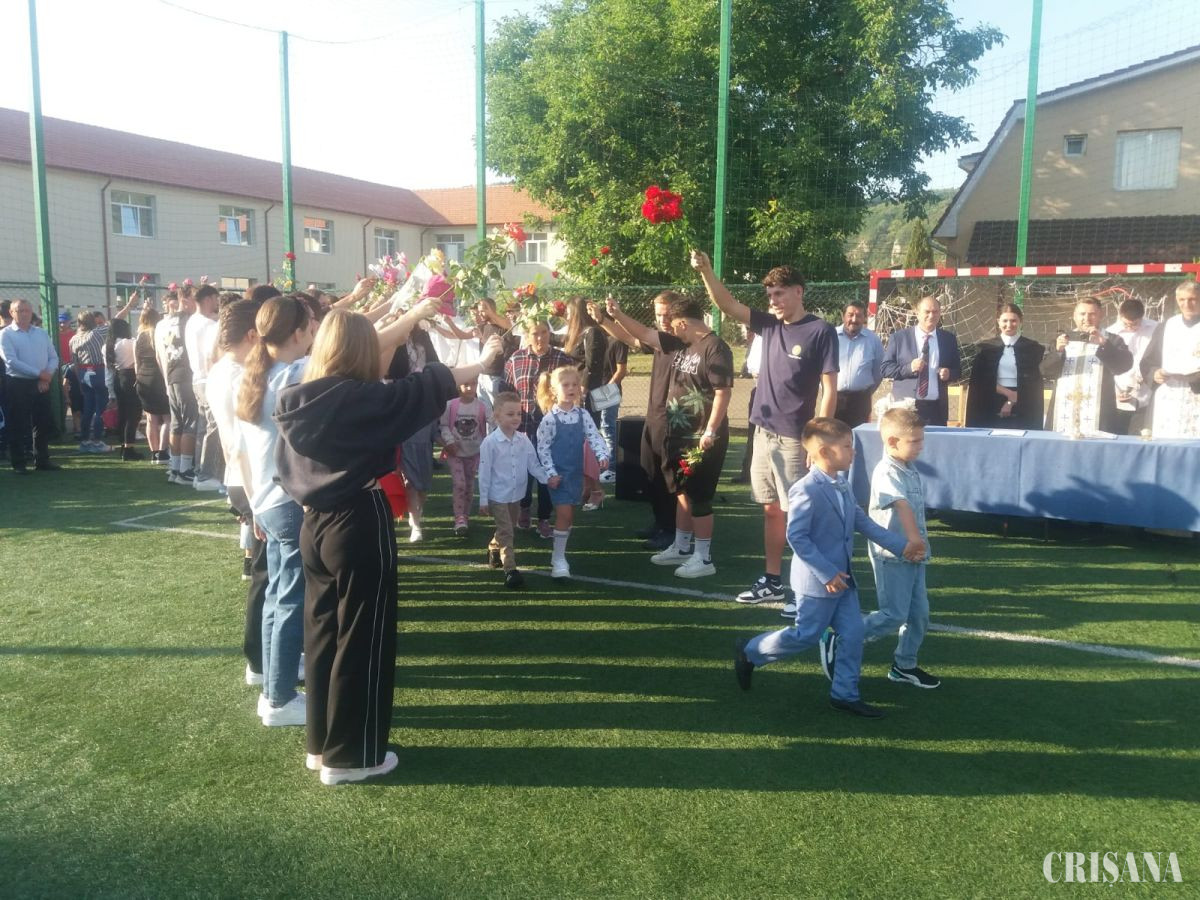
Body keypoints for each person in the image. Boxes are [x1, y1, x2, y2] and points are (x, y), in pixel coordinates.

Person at [274, 307, 502, 785]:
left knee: (323, 636)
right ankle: (352, 757)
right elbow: (431, 383)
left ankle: (322, 746)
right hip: (358, 519)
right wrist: (483, 362)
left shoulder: (296, 395)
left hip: (313, 525)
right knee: (364, 637)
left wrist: (412, 314)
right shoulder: (365, 399)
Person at [733, 418, 921, 717]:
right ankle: (750, 651)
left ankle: (844, 694)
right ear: (823, 452)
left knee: (853, 634)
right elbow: (797, 537)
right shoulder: (806, 489)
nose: (853, 452)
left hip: (843, 581)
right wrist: (826, 573)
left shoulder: (842, 483)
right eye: (847, 446)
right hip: (819, 583)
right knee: (806, 635)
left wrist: (902, 546)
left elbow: (862, 522)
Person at [690, 250, 839, 607]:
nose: (773, 301)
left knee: (800, 515)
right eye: (770, 295)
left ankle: (807, 590)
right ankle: (773, 582)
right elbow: (727, 305)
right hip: (762, 433)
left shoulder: (820, 331)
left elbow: (830, 389)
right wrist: (706, 270)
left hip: (795, 439)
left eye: (779, 293)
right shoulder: (769, 325)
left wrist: (817, 440)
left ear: (799, 292)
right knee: (772, 509)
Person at [605, 293, 733, 578]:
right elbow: (643, 334)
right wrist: (617, 315)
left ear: (684, 323)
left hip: (701, 438)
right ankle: (682, 547)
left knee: (699, 496)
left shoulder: (715, 348)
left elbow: (723, 392)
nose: (670, 329)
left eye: (673, 324)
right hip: (679, 435)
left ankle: (703, 558)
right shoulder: (682, 342)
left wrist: (710, 430)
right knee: (682, 492)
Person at [589, 293, 681, 551]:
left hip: (672, 418)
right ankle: (660, 522)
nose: (663, 320)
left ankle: (672, 530)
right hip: (654, 415)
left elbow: (639, 332)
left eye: (667, 314)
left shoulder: (678, 340)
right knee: (650, 470)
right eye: (659, 315)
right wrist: (604, 320)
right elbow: (630, 338)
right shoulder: (660, 340)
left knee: (668, 475)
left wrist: (617, 315)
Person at [857, 407, 940, 688]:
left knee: (919, 615)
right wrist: (915, 540)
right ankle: (844, 637)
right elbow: (902, 506)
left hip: (914, 556)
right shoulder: (886, 471)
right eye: (914, 441)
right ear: (892, 441)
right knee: (893, 614)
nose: (921, 446)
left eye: (921, 439)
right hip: (893, 556)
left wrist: (917, 546)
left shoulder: (908, 467)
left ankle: (904, 665)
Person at [535, 365, 611, 579]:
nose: (571, 388)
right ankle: (559, 560)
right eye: (565, 385)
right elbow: (543, 448)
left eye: (575, 384)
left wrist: (602, 454)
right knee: (565, 514)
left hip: (575, 476)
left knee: (568, 518)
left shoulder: (583, 415)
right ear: (554, 390)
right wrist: (550, 473)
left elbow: (594, 436)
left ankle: (558, 554)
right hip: (558, 477)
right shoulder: (550, 419)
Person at [504, 318, 574, 538]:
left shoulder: (561, 359)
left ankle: (544, 518)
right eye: (535, 333)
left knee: (547, 474)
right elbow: (507, 392)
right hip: (523, 428)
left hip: (552, 429)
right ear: (527, 335)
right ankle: (524, 508)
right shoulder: (516, 359)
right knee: (523, 472)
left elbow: (571, 391)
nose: (540, 338)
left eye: (544, 332)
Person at [479, 392, 549, 589]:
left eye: (518, 414)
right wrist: (483, 499)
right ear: (497, 416)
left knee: (507, 527)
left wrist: (547, 479)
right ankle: (510, 569)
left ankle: (494, 546)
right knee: (507, 531)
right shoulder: (490, 443)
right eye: (510, 414)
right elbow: (484, 473)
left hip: (516, 494)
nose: (516, 418)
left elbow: (533, 465)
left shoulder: (523, 440)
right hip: (498, 495)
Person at [1040, 296, 1134, 435]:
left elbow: (1123, 366)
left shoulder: (1112, 339)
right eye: (1082, 314)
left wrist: (1104, 344)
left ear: (1101, 315)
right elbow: (1045, 371)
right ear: (1074, 316)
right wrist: (1058, 352)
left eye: (1092, 314)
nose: (1087, 318)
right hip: (1063, 410)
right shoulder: (1061, 339)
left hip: (1099, 412)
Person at [881, 294, 962, 427]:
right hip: (906, 407)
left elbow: (958, 371)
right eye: (927, 312)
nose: (931, 315)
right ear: (917, 313)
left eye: (935, 312)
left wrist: (949, 373)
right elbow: (885, 369)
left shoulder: (948, 339)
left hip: (936, 409)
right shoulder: (899, 338)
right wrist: (909, 368)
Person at [1, 298, 61, 473]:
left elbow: (53, 357)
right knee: (18, 423)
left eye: (27, 310)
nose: (24, 314)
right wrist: (39, 374)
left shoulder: (41, 333)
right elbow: (11, 361)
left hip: (42, 383)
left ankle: (42, 460)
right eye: (20, 311)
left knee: (42, 423)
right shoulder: (5, 334)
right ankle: (19, 463)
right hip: (17, 383)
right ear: (11, 313)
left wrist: (46, 377)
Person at [965, 303, 1045, 430]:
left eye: (1013, 321)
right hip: (991, 399)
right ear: (998, 322)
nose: (1009, 325)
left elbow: (1034, 382)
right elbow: (980, 380)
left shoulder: (1033, 348)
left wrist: (1012, 400)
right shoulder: (985, 348)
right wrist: (1008, 394)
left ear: (1020, 322)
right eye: (1005, 321)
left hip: (1024, 401)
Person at [70, 299, 134, 452]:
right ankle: (97, 441)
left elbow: (75, 363)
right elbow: (117, 319)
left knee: (88, 408)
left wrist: (80, 381)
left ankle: (85, 441)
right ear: (92, 321)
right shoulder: (97, 333)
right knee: (100, 408)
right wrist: (129, 305)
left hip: (83, 373)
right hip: (98, 371)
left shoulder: (74, 339)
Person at [1140, 281, 1200, 439]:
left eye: (1192, 299)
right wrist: (1154, 373)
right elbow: (1149, 360)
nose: (1186, 304)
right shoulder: (1167, 326)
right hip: (1168, 394)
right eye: (1182, 299)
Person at [156, 287, 198, 484]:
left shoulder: (163, 323)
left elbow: (160, 355)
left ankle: (175, 467)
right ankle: (185, 469)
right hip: (186, 374)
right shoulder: (189, 320)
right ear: (185, 300)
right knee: (190, 421)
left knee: (176, 422)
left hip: (171, 374)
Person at [439, 379, 492, 536]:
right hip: (455, 453)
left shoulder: (482, 406)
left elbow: (493, 422)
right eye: (465, 384)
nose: (469, 388)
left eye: (473, 384)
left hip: (474, 453)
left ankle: (465, 516)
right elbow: (443, 425)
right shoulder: (450, 405)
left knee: (469, 485)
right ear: (458, 386)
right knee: (460, 483)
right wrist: (449, 441)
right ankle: (459, 518)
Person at [185, 283, 225, 491]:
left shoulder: (192, 321)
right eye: (216, 299)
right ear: (208, 299)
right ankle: (207, 474)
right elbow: (212, 354)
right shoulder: (209, 325)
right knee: (213, 427)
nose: (217, 303)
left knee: (203, 427)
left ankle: (200, 472)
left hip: (197, 379)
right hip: (208, 379)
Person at [1105, 297, 1159, 435]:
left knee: (1143, 435)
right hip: (1119, 390)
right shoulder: (1110, 333)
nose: (1130, 328)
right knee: (1118, 434)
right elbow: (1108, 365)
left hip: (1146, 391)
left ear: (1142, 317)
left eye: (1135, 324)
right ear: (1120, 315)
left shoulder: (1156, 329)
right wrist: (1113, 391)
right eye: (1126, 324)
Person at [835, 300, 884, 428]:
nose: (854, 319)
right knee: (832, 435)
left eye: (859, 315)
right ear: (843, 316)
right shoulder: (831, 336)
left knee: (859, 436)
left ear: (864, 318)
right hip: (834, 398)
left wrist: (866, 392)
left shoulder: (873, 340)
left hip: (860, 401)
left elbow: (878, 372)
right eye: (850, 315)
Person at [134, 306, 170, 464]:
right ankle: (162, 452)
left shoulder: (138, 337)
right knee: (168, 418)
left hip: (143, 378)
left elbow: (137, 362)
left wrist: (138, 378)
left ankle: (153, 453)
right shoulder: (159, 334)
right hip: (159, 378)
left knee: (151, 419)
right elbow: (162, 359)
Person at [105, 316, 143, 460]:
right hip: (130, 377)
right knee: (133, 414)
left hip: (117, 378)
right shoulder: (128, 343)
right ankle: (129, 448)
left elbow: (108, 371)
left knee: (123, 414)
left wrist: (110, 393)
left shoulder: (107, 346)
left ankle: (123, 446)